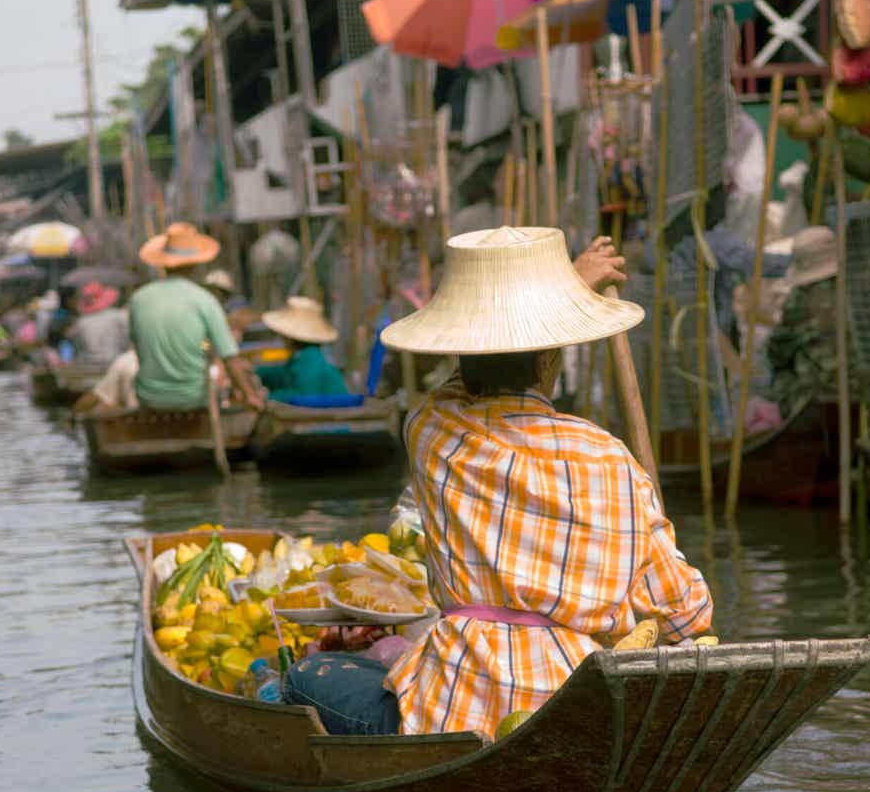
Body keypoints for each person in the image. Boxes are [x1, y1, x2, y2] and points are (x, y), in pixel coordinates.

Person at [281, 228, 714, 737]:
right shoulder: (610, 457)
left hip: (452, 708)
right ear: (550, 359)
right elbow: (686, 610)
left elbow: (454, 390)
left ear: (463, 354)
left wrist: (569, 285)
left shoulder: (434, 432)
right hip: (576, 703)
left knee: (305, 677)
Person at [128, 222, 264, 411]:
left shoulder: (138, 299)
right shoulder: (204, 300)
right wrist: (251, 396)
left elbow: (137, 347)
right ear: (195, 263)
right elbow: (229, 357)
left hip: (149, 397)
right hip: (194, 399)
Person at [253, 297, 350, 403]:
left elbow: (300, 395)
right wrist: (256, 372)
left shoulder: (310, 358)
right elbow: (282, 374)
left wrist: (267, 397)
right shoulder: (302, 357)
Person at [66, 282, 130, 364]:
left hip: (86, 365)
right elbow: (128, 338)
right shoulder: (118, 316)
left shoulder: (81, 322)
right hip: (114, 362)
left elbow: (75, 344)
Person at [72, 349, 139, 415]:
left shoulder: (127, 360)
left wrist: (72, 414)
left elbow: (96, 397)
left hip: (136, 420)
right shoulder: (129, 359)